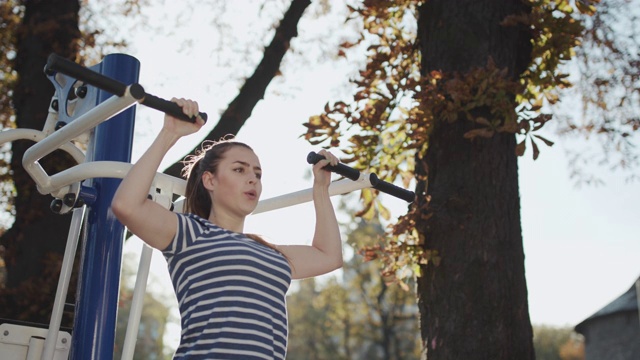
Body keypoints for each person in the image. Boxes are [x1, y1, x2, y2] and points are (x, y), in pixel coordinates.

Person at [111, 98, 343, 359]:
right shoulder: (190, 233)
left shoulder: (270, 252)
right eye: (239, 170)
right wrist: (170, 134)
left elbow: (329, 256)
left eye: (257, 173)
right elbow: (127, 206)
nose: (252, 178)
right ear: (210, 180)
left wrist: (321, 189)